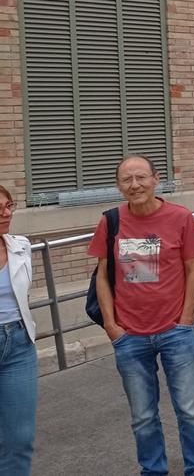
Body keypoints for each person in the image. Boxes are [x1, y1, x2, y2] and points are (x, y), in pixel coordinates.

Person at [88, 156, 194, 476]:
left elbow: (193, 268)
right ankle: (153, 470)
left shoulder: (180, 217)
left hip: (175, 331)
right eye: (127, 180)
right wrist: (112, 326)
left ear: (156, 179)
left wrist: (186, 319)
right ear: (119, 185)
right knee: (143, 416)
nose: (135, 185)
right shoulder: (110, 220)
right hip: (130, 335)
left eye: (141, 178)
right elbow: (102, 275)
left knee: (190, 411)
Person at [0, 185, 36, 476]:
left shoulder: (20, 245)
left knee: (20, 438)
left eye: (9, 205)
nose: (6, 213)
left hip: (19, 345)